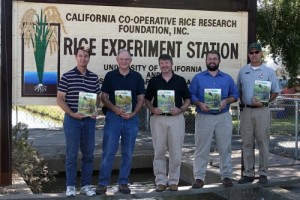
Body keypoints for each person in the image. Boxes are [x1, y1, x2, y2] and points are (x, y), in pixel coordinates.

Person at [96, 49, 145, 195]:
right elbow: (104, 97)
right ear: (117, 60)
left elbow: (141, 99)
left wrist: (134, 113)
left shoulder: (137, 77)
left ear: (131, 61)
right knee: (108, 152)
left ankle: (123, 182)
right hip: (113, 118)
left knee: (127, 152)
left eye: (127, 59)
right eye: (121, 59)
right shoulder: (110, 76)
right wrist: (115, 109)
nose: (124, 62)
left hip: (131, 119)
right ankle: (103, 184)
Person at [189, 50, 239, 188]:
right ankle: (199, 178)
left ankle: (226, 176)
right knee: (201, 149)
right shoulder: (198, 78)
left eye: (215, 59)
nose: (212, 61)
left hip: (223, 116)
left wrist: (227, 101)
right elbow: (191, 95)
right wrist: (199, 103)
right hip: (203, 117)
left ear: (219, 61)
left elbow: (235, 94)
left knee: (225, 148)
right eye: (209, 59)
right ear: (205, 61)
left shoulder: (227, 78)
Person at [57, 46, 101, 197]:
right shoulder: (67, 76)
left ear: (89, 58)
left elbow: (97, 98)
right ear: (76, 57)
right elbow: (60, 99)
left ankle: (86, 185)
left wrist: (95, 110)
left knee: (88, 154)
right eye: (80, 56)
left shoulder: (94, 78)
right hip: (72, 121)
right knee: (72, 154)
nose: (83, 58)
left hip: (89, 121)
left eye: (86, 56)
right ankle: (70, 186)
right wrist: (72, 113)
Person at [145, 54, 191, 192]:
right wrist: (152, 108)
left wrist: (181, 109)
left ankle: (173, 181)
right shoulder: (154, 81)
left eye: (166, 63)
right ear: (159, 65)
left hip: (176, 119)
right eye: (162, 63)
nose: (164, 65)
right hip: (158, 119)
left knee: (176, 152)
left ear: (172, 64)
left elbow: (188, 99)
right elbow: (147, 100)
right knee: (159, 151)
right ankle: (160, 181)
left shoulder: (180, 80)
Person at [237, 43, 280, 184]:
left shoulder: (269, 72)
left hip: (262, 111)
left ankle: (263, 173)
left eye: (256, 52)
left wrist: (265, 102)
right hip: (246, 111)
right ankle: (248, 173)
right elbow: (238, 90)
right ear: (248, 54)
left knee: (263, 142)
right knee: (247, 143)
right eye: (251, 52)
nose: (254, 54)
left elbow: (275, 91)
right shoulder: (243, 71)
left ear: (261, 53)